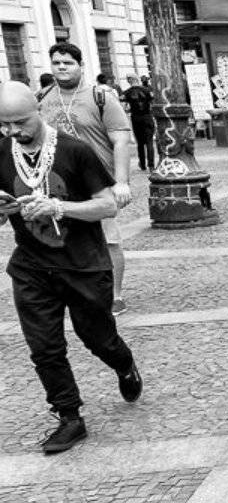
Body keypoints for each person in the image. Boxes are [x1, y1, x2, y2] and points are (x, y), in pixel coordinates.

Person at [0, 81, 141, 454]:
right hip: (31, 266)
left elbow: (108, 206)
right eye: (4, 124)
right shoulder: (1, 151)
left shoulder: (75, 150)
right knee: (44, 347)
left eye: (19, 122)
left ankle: (124, 364)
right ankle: (69, 416)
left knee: (98, 339)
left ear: (38, 111)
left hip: (83, 265)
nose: (12, 131)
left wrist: (59, 207)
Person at [39, 43, 132, 315]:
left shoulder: (100, 97)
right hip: (58, 182)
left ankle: (114, 295)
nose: (62, 67)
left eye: (68, 63)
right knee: (62, 239)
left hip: (97, 181)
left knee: (108, 240)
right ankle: (74, 292)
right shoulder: (43, 97)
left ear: (80, 65)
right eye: (57, 63)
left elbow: (121, 140)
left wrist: (121, 181)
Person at [121, 75, 156, 172]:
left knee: (140, 142)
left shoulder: (126, 92)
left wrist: (129, 109)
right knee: (149, 141)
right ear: (137, 80)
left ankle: (142, 164)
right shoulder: (147, 90)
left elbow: (123, 107)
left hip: (136, 118)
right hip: (147, 116)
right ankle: (151, 165)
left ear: (129, 81)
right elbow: (152, 102)